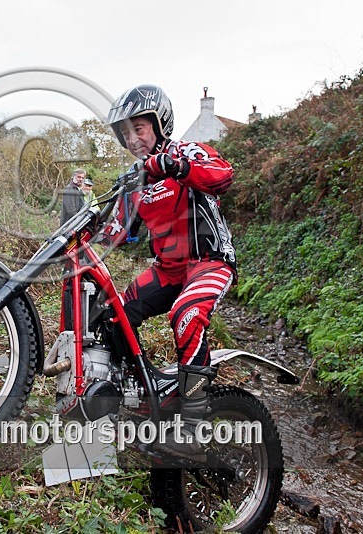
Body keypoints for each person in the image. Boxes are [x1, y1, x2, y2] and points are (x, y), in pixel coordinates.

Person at [103, 84, 236, 429]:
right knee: (113, 315)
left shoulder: (187, 150)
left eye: (139, 129)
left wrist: (176, 166)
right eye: (125, 134)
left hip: (209, 262)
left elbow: (223, 175)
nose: (132, 140)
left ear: (160, 124)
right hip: (167, 271)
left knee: (187, 314)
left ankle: (195, 415)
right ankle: (146, 390)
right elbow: (114, 231)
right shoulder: (136, 180)